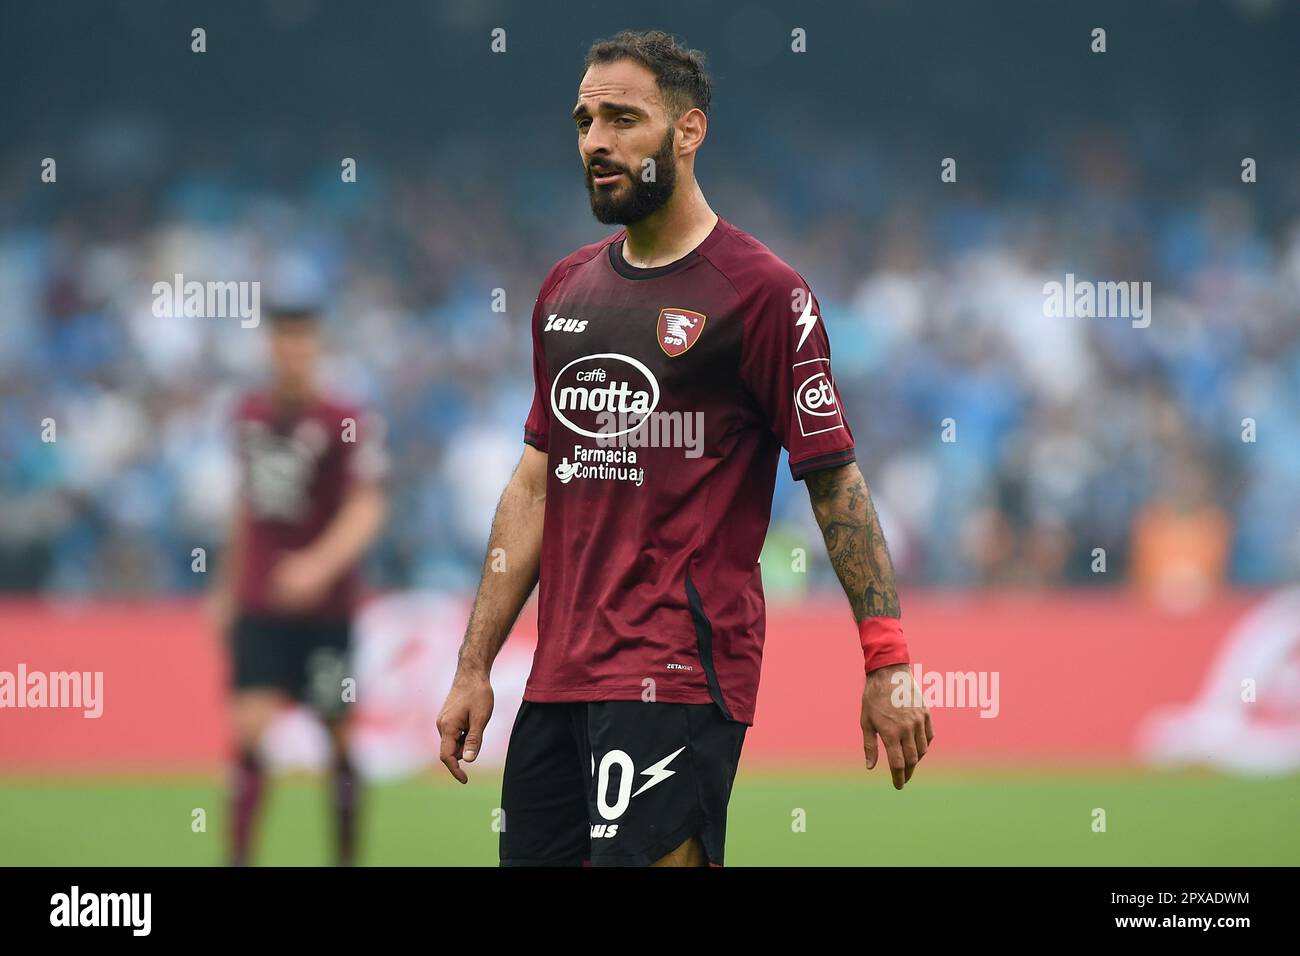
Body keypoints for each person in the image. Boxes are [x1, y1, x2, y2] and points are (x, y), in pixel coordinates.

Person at [436, 30, 932, 867]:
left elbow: (835, 482)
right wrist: (474, 664)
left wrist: (886, 660)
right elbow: (535, 485)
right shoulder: (565, 289)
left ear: (689, 131)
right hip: (558, 682)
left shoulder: (764, 295)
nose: (596, 141)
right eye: (585, 120)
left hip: (676, 672)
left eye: (623, 119)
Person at [209, 304, 388, 866]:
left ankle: (345, 856)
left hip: (326, 614)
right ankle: (238, 859)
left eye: (303, 346)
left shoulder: (347, 420)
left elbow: (367, 507)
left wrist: (317, 565)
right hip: (261, 605)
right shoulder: (248, 416)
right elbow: (245, 507)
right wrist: (223, 588)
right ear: (271, 350)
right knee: (250, 730)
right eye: (284, 345)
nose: (293, 356)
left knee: (336, 741)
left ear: (317, 351)